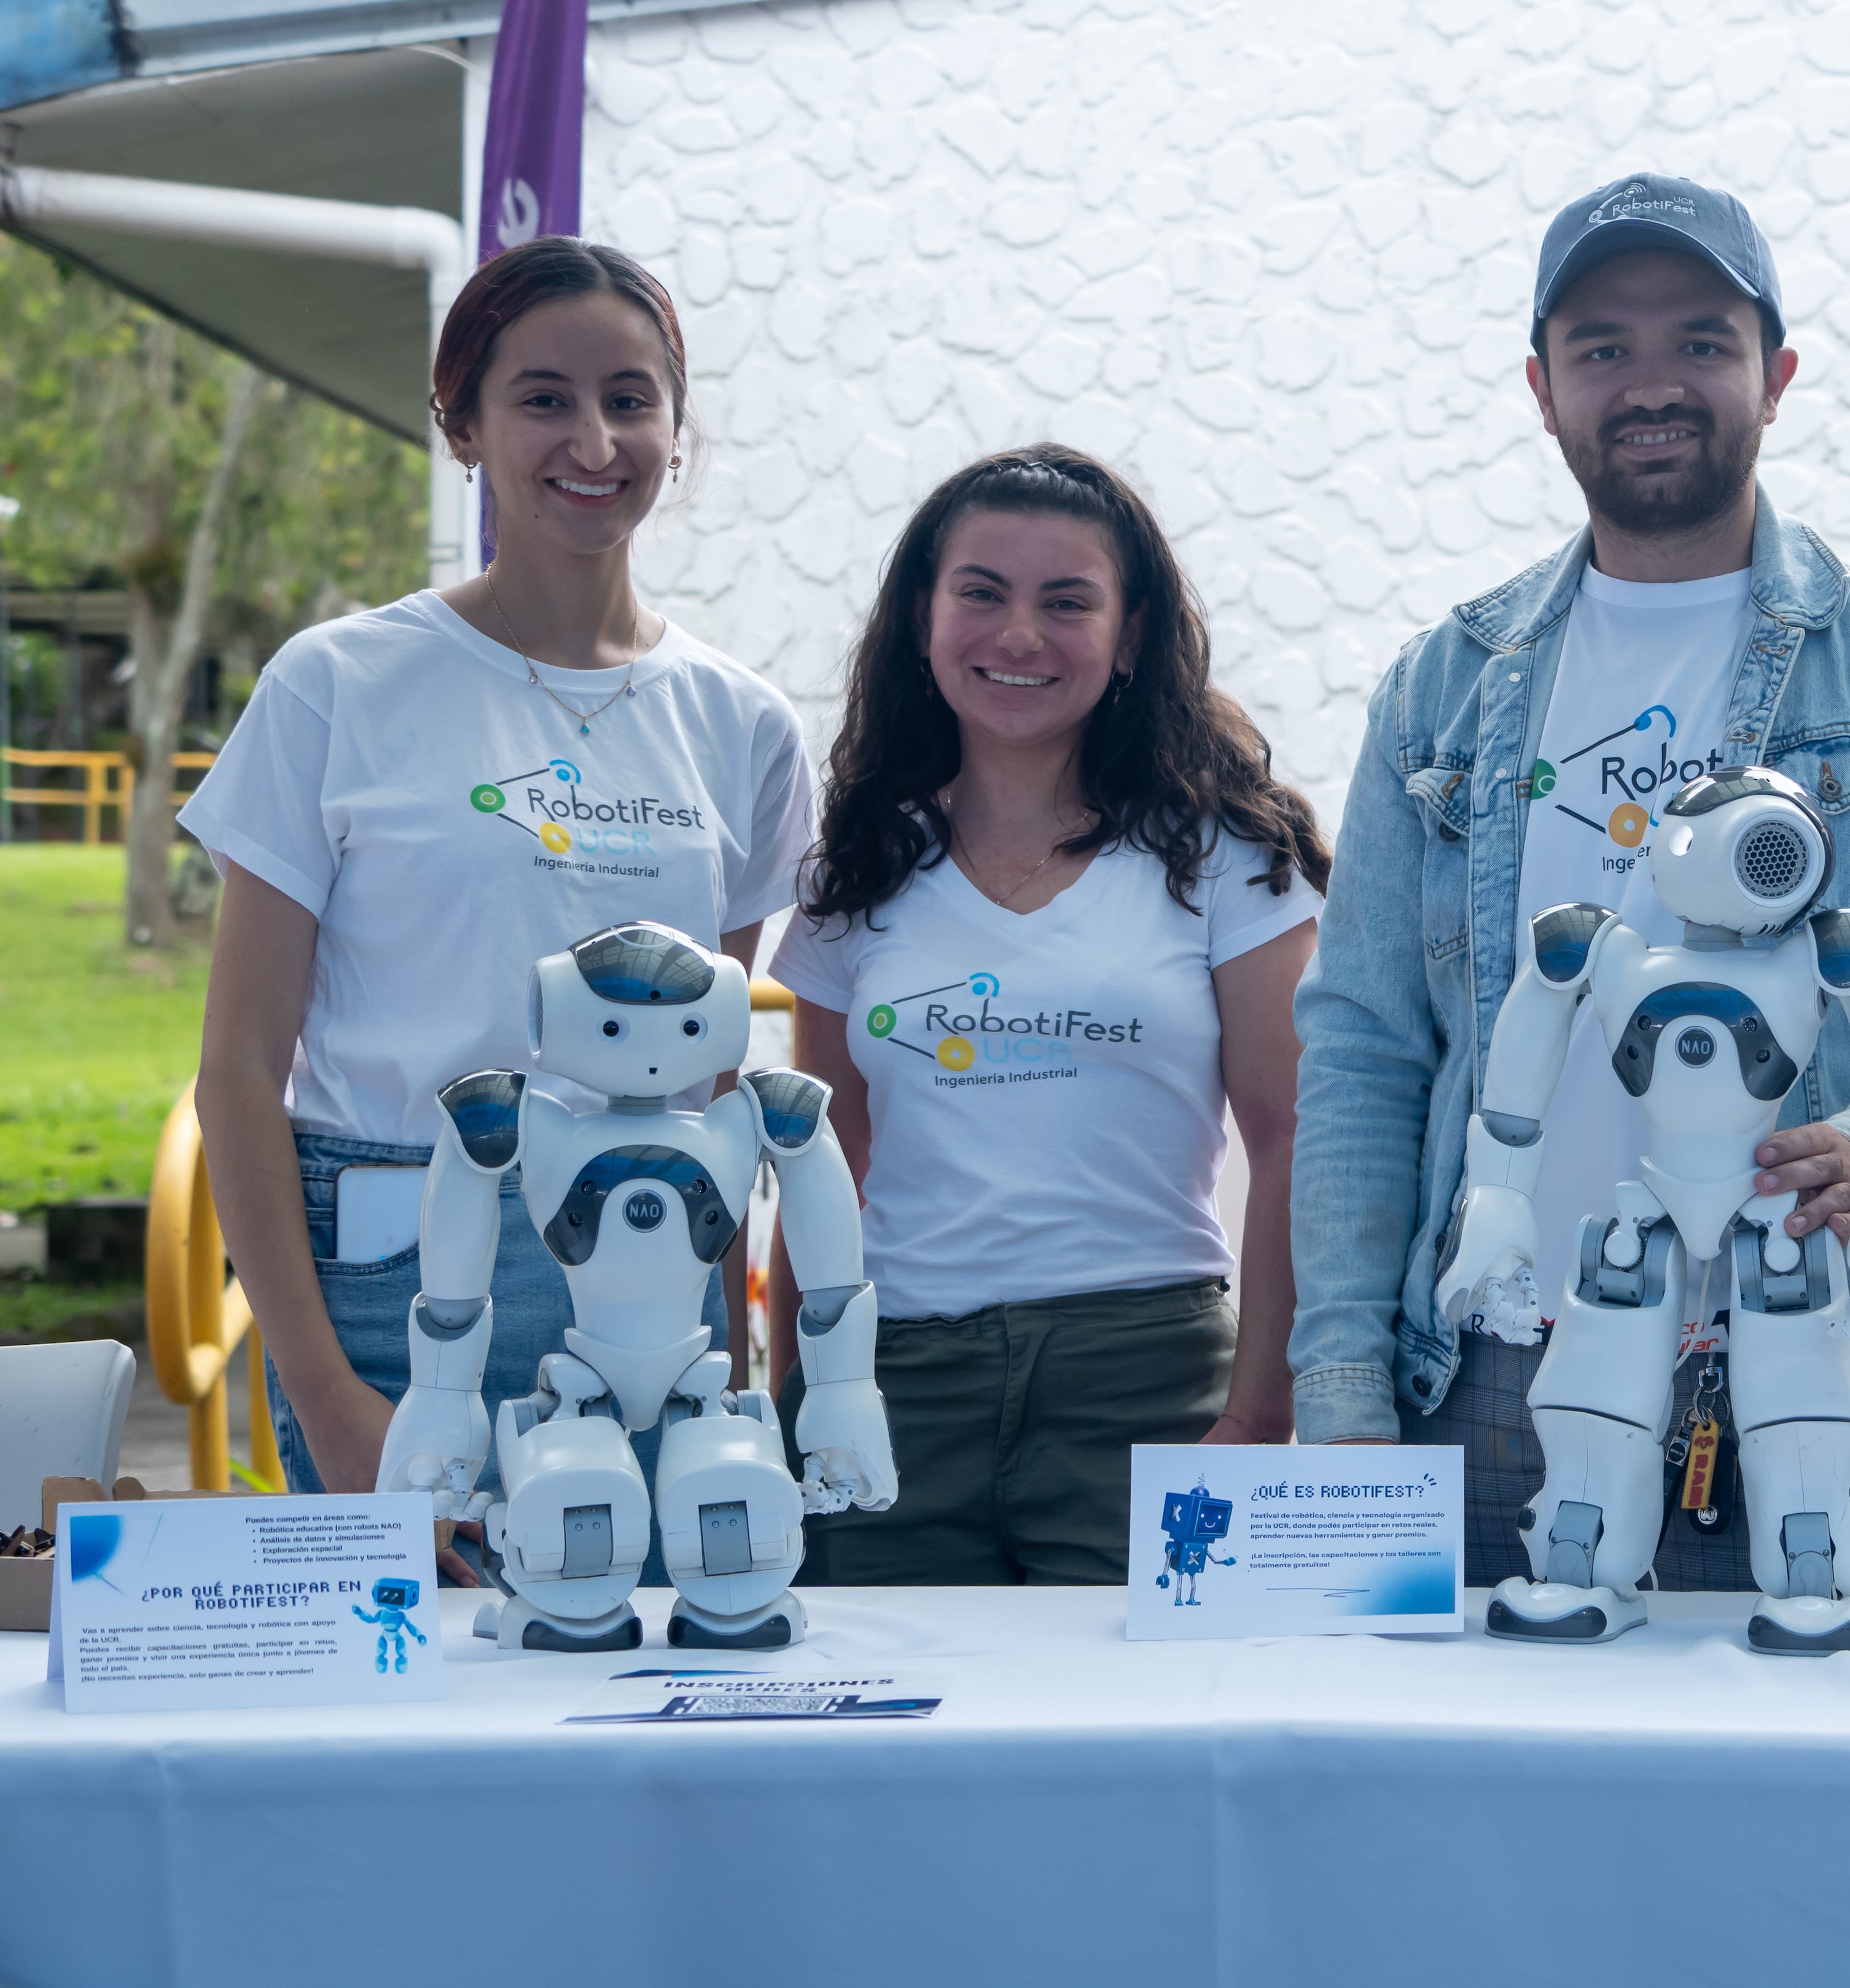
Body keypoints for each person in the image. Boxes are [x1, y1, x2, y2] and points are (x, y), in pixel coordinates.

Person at [1288, 171, 1850, 1587]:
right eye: (1603, 348)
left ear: (1776, 375)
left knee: (1817, 1716)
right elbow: (1362, 1052)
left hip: (1819, 1354)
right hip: (1496, 1373)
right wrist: (1340, 1390)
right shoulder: (1440, 688)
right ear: (1542, 389)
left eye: (1701, 342)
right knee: (1490, 1731)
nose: (1652, 383)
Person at [190, 238, 812, 1572]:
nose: (594, 440)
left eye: (631, 399)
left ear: (676, 431)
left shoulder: (742, 723)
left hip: (649, 1287)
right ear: (461, 424)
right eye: (542, 398)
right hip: (399, 1289)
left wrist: (735, 1366)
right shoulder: (338, 686)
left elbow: (705, 1086)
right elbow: (238, 1070)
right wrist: (323, 1395)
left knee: (657, 1666)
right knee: (419, 1681)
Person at [767, 447, 1326, 1587]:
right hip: (888, 1387)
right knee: (873, 1704)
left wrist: (1258, 1414)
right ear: (923, 619)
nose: (1020, 634)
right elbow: (828, 1165)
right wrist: (799, 1401)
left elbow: (1292, 1140)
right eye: (982, 591)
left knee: (1140, 1706)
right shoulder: (858, 868)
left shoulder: (1230, 854)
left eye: (1067, 602)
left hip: (1147, 1377)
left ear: (1130, 639)